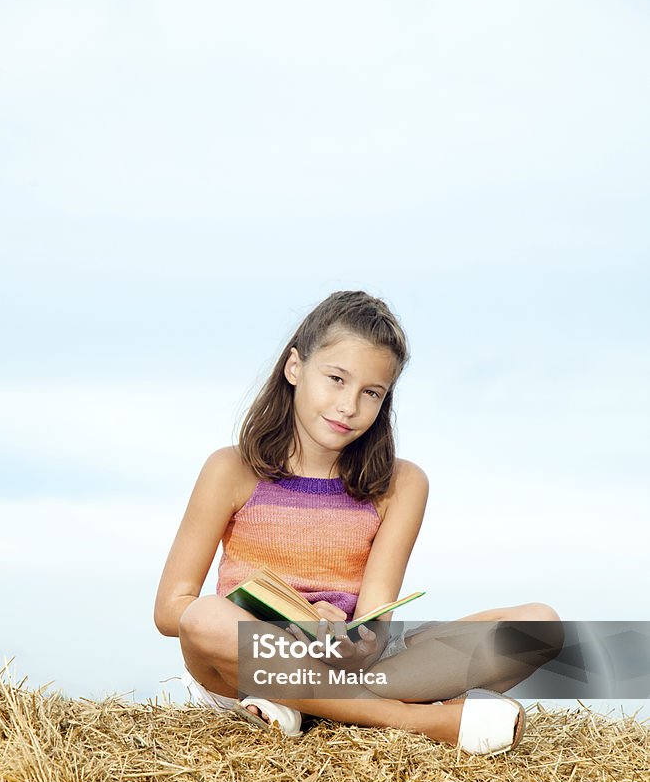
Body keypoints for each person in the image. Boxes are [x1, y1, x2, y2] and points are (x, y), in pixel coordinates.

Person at [154, 290, 564, 755]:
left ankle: (315, 706)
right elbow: (172, 609)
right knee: (205, 616)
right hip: (247, 665)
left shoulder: (403, 484)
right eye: (335, 379)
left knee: (539, 626)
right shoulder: (230, 469)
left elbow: (375, 626)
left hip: (351, 667)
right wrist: (276, 630)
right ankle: (418, 720)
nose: (349, 405)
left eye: (371, 392)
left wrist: (350, 645)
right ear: (294, 368)